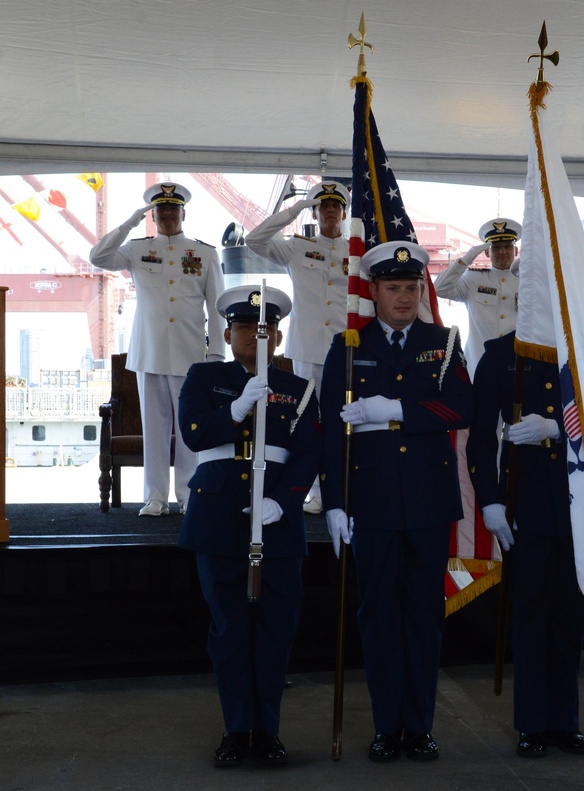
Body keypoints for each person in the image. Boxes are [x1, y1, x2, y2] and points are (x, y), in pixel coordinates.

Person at [320, 241, 473, 764]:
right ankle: (388, 726)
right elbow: (329, 433)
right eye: (393, 288)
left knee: (424, 618)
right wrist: (336, 503)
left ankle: (420, 726)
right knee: (379, 617)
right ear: (375, 291)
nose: (404, 297)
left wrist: (398, 409)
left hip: (430, 502)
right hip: (373, 501)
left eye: (411, 288)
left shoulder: (444, 341)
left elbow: (460, 407)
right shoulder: (346, 345)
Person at [177, 285, 321, 768]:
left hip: (276, 519)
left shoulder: (298, 388)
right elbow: (194, 434)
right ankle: (238, 730)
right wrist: (236, 408)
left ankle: (269, 732)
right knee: (230, 630)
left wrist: (282, 504)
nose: (256, 337)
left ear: (278, 338)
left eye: (266, 330)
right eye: (245, 328)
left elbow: (308, 454)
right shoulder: (205, 376)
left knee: (276, 631)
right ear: (228, 332)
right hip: (218, 513)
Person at [467, 331, 584, 759]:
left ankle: (565, 722)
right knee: (531, 613)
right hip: (525, 502)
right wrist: (490, 501)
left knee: (569, 616)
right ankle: (532, 724)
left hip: (577, 500)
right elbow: (481, 436)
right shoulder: (501, 354)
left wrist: (558, 427)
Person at [90, 182, 225, 516]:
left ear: (183, 213)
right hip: (148, 353)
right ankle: (155, 497)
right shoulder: (136, 249)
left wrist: (217, 356)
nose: (167, 215)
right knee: (154, 429)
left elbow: (217, 307)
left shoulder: (205, 253)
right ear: (154, 214)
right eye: (160, 209)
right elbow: (98, 257)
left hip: (191, 353)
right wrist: (129, 223)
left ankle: (188, 494)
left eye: (172, 209)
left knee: (189, 427)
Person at [245, 180, 351, 514]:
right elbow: (255, 239)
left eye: (335, 206)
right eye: (322, 206)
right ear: (316, 212)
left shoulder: (358, 251)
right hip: (307, 347)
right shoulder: (296, 247)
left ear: (344, 213)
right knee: (310, 423)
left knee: (345, 421)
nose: (329, 211)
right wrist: (294, 209)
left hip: (347, 349)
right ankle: (317, 492)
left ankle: (345, 488)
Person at [433, 217, 520, 374]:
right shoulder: (473, 279)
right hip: (479, 365)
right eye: (496, 247)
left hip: (516, 365)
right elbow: (439, 289)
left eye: (508, 246)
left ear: (516, 251)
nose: (502, 252)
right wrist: (466, 259)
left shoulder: (527, 282)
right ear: (486, 252)